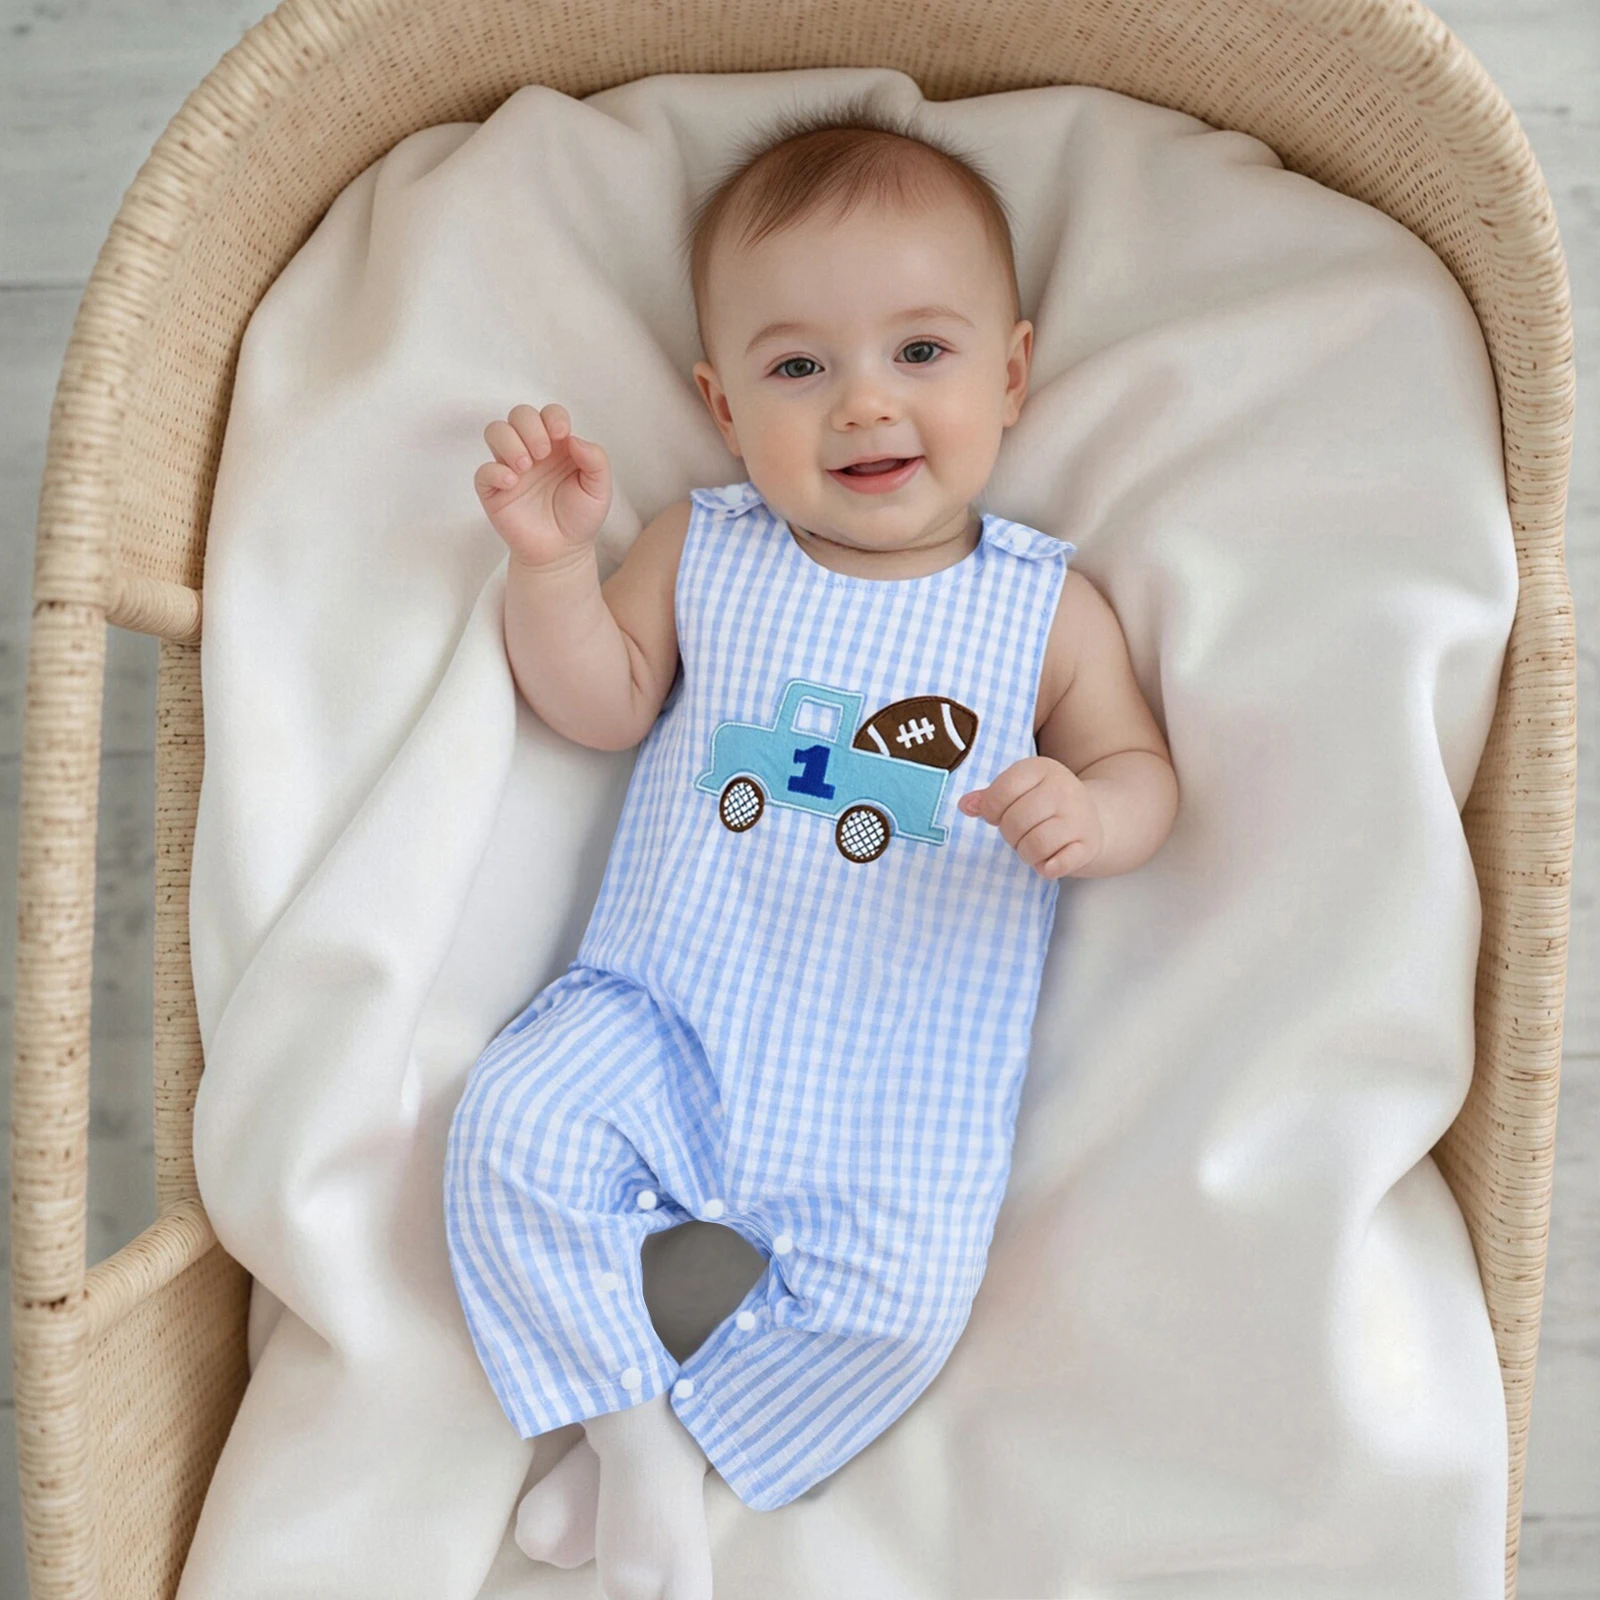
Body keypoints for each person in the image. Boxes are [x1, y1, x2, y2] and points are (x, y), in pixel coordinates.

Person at [443, 95, 1178, 1600]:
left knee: (905, 1306)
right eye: (800, 367)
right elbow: (600, 702)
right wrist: (553, 568)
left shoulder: (1044, 608)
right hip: (666, 1009)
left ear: (1012, 374)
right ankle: (632, 1435)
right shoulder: (703, 547)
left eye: (922, 352)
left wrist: (1096, 814)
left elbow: (1140, 769)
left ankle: (677, 1436)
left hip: (897, 1072)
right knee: (509, 1129)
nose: (863, 405)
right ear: (724, 407)